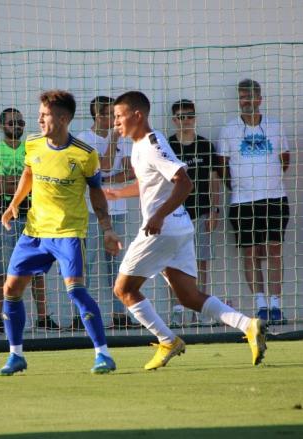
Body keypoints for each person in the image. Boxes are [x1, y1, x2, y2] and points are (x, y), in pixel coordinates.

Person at [106, 91, 267, 370]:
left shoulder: (151, 144)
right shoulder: (141, 144)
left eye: (119, 116)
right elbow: (151, 184)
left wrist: (158, 215)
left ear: (137, 115)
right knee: (189, 296)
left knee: (123, 289)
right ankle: (248, 325)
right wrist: (120, 194)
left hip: (163, 229)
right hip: (179, 228)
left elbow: (184, 183)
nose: (115, 122)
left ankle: (167, 340)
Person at [0, 90, 122, 376]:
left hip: (68, 232)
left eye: (45, 115)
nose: (39, 119)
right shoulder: (32, 144)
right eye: (39, 113)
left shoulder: (84, 154)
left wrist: (107, 229)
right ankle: (15, 355)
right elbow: (28, 174)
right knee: (11, 289)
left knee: (76, 291)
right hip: (34, 232)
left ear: (63, 118)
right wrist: (13, 204)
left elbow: (97, 193)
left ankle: (103, 354)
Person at [217, 79, 290, 325]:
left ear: (260, 99)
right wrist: (238, 186)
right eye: (243, 97)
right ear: (239, 100)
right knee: (250, 253)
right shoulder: (229, 130)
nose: (247, 101)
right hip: (242, 202)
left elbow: (285, 159)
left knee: (274, 251)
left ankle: (276, 305)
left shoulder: (275, 126)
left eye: (251, 97)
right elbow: (221, 165)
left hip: (275, 198)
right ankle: (260, 305)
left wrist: (269, 181)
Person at [0, 108, 59, 333]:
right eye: (11, 123)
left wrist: (17, 182)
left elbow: (44, 183)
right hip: (5, 216)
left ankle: (43, 318)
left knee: (37, 271)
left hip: (36, 216)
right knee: (2, 271)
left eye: (20, 122)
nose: (16, 126)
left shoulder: (34, 148)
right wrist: (27, 182)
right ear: (2, 126)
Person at [75, 95, 139, 330]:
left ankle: (120, 315)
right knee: (87, 264)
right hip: (92, 211)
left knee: (118, 265)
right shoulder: (83, 139)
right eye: (112, 115)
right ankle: (83, 315)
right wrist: (112, 139)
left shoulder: (125, 136)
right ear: (99, 116)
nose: (117, 119)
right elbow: (102, 166)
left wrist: (108, 180)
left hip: (118, 210)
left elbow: (130, 172)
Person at [167, 99, 222, 327]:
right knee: (174, 263)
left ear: (195, 118)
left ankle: (200, 308)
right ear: (174, 120)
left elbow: (214, 180)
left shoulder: (205, 146)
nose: (185, 120)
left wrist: (214, 210)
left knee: (201, 261)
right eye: (181, 116)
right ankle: (178, 309)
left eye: (189, 116)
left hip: (201, 213)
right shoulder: (167, 146)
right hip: (175, 215)